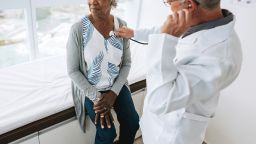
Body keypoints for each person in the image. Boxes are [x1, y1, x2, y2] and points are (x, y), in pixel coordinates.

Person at [116, 0, 242, 144]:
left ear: (189, 4)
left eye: (168, 1)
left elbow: (160, 100)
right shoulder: (201, 22)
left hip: (172, 134)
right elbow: (164, 30)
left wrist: (166, 40)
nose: (169, 7)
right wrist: (134, 33)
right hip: (157, 125)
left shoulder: (221, 57)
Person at [66, 0, 139, 143]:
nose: (92, 1)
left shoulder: (121, 25)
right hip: (91, 89)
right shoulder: (78, 29)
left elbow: (126, 64)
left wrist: (113, 93)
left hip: (116, 85)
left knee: (133, 122)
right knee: (107, 133)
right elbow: (73, 70)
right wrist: (97, 98)